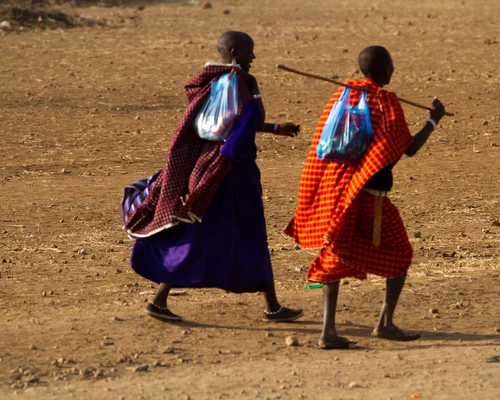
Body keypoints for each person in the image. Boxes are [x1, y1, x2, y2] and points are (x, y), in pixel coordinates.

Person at [122, 31, 303, 323]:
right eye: (249, 52)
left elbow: (224, 124)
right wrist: (256, 102)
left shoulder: (211, 81)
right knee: (251, 232)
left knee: (200, 231)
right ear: (234, 53)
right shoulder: (243, 83)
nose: (253, 57)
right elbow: (245, 127)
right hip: (232, 172)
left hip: (205, 167)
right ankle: (271, 306)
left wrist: (274, 129)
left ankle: (161, 298)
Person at [285, 46, 445, 349]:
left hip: (340, 192)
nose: (393, 70)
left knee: (335, 252)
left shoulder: (344, 95)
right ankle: (384, 323)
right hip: (371, 198)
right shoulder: (385, 103)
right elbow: (407, 148)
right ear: (385, 70)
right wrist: (433, 121)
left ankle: (329, 331)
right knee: (399, 254)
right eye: (392, 65)